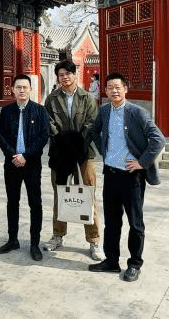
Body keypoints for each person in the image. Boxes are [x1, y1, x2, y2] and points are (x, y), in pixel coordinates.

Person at [88, 72, 165, 282]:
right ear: (105, 91)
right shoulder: (105, 111)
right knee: (112, 222)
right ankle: (111, 261)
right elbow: (94, 131)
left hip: (132, 178)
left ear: (125, 89)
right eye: (110, 87)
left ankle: (134, 264)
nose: (114, 91)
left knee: (135, 223)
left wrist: (142, 162)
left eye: (117, 87)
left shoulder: (137, 112)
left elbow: (158, 139)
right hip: (111, 174)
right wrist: (104, 151)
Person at [43, 59, 102, 260]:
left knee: (88, 193)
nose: (65, 77)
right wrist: (65, 144)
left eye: (68, 73)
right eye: (61, 75)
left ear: (75, 75)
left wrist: (76, 145)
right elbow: (50, 124)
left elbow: (91, 124)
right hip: (60, 153)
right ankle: (57, 235)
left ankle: (94, 240)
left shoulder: (87, 98)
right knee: (60, 193)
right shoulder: (52, 99)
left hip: (84, 153)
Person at [0, 73, 50, 261]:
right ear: (12, 89)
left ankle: (34, 243)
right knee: (12, 202)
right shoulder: (6, 111)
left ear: (30, 89)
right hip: (12, 163)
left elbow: (44, 136)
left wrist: (25, 156)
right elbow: (0, 135)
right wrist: (14, 155)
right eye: (18, 87)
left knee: (35, 203)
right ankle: (13, 239)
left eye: (25, 87)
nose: (21, 90)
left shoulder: (40, 111)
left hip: (32, 164)